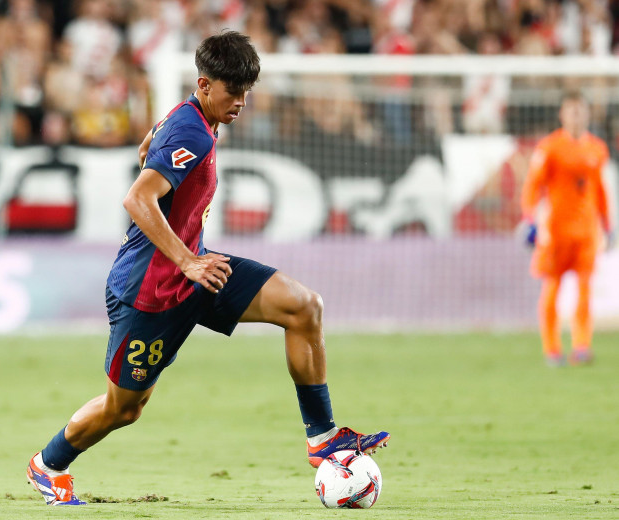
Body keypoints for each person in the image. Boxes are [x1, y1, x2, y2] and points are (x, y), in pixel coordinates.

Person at [25, 31, 390, 506]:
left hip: (198, 272)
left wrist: (191, 255)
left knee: (303, 307)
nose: (240, 102)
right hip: (150, 292)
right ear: (204, 83)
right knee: (124, 409)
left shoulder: (194, 117)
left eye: (246, 92)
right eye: (232, 91)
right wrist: (187, 261)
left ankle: (321, 439)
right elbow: (137, 197)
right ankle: (48, 465)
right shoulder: (193, 130)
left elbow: (149, 156)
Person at [520, 89, 613, 367]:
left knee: (585, 290)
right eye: (571, 110)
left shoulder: (597, 148)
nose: (576, 115)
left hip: (586, 232)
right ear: (562, 114)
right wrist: (529, 219)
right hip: (556, 232)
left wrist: (607, 224)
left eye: (580, 110)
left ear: (587, 113)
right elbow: (532, 186)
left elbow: (600, 190)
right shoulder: (548, 148)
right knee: (552, 288)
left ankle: (582, 346)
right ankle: (552, 349)